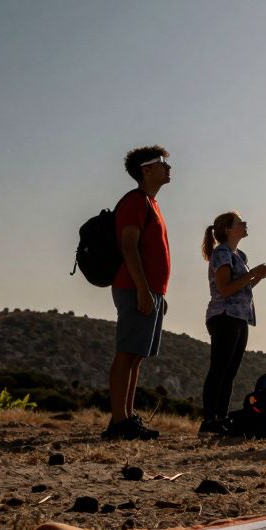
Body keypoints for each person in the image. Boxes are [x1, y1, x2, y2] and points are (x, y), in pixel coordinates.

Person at [103, 146, 173, 440]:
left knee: (136, 356)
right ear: (146, 170)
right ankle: (119, 422)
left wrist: (157, 293)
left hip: (149, 290)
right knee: (126, 353)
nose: (168, 167)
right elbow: (128, 246)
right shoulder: (134, 201)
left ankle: (127, 417)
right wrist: (143, 288)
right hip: (134, 287)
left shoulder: (150, 203)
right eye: (162, 163)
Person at [200, 211, 266, 435]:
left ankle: (221, 418)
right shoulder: (222, 253)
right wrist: (252, 274)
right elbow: (225, 289)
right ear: (228, 229)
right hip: (224, 316)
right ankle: (209, 420)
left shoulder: (239, 255)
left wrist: (256, 277)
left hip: (240, 317)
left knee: (229, 371)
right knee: (219, 369)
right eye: (240, 222)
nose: (245, 224)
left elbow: (241, 288)